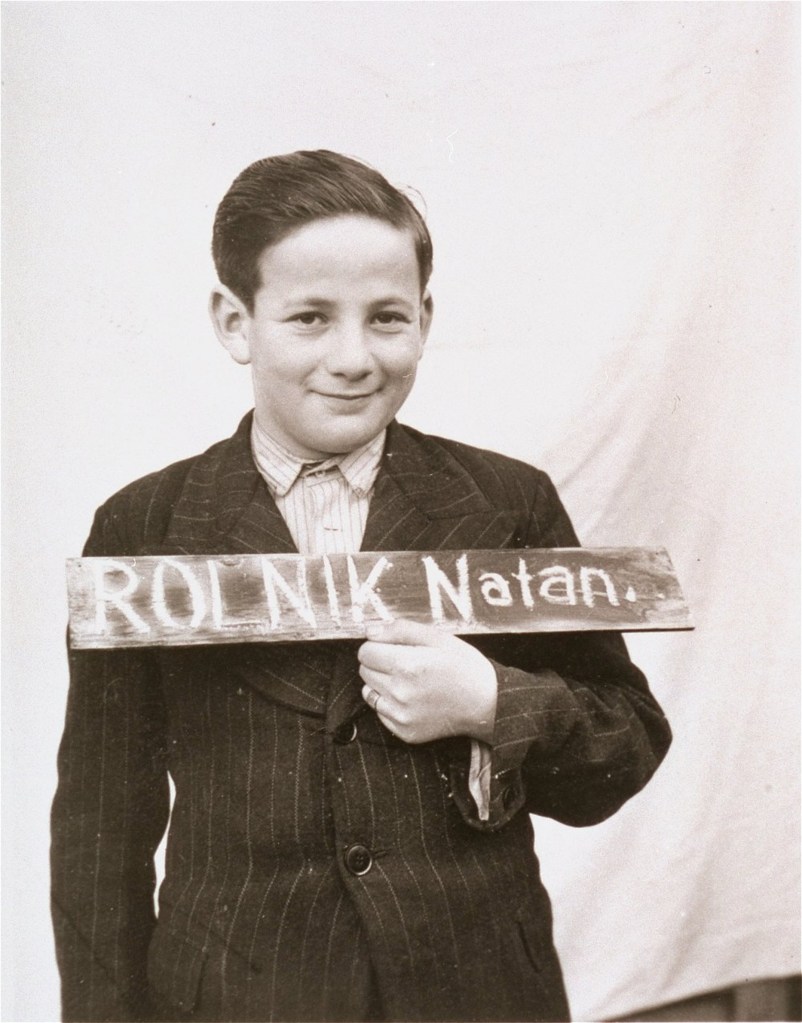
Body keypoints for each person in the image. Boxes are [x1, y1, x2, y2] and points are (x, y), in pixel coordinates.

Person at [51, 150, 672, 1023]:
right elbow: (99, 831)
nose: (353, 358)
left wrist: (493, 701)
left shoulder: (507, 502)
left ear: (425, 317)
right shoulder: (144, 526)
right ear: (235, 322)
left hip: (476, 995)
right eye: (310, 317)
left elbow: (625, 746)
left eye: (386, 318)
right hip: (239, 1000)